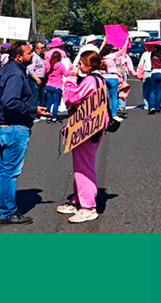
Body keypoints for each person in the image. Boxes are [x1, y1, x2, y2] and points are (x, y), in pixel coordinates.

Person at [0, 41, 44, 225]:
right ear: (19, 56)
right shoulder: (14, 74)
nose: (32, 56)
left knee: (3, 169)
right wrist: (33, 109)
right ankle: (8, 212)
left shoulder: (11, 70)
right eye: (29, 53)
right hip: (14, 127)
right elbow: (10, 102)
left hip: (8, 127)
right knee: (9, 172)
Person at [57, 50, 107, 224]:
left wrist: (70, 80)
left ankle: (88, 207)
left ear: (88, 65)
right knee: (80, 165)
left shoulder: (90, 80)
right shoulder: (99, 79)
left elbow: (71, 98)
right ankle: (78, 200)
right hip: (92, 126)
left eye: (81, 64)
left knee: (84, 167)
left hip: (87, 127)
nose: (78, 67)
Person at [44, 49, 70, 123]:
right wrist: (70, 68)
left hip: (48, 85)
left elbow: (44, 71)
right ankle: (54, 117)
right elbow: (66, 74)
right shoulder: (61, 65)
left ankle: (47, 116)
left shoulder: (49, 64)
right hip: (57, 86)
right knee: (56, 103)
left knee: (49, 102)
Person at [26, 41, 48, 110]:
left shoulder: (42, 57)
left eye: (44, 47)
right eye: (41, 48)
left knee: (41, 96)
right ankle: (34, 114)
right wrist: (37, 79)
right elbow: (30, 69)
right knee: (34, 97)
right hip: (35, 79)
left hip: (42, 78)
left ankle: (39, 111)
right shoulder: (34, 57)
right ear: (37, 49)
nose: (43, 49)